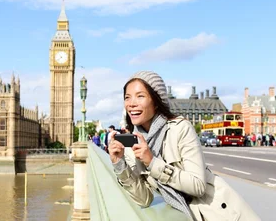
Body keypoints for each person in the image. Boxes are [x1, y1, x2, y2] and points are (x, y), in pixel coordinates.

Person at [108, 71, 260, 221]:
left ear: (156, 102)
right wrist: (119, 164)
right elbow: (144, 199)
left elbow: (198, 186)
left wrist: (152, 162)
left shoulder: (180, 128)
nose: (131, 103)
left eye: (140, 96)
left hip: (221, 213)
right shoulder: (133, 144)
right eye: (127, 97)